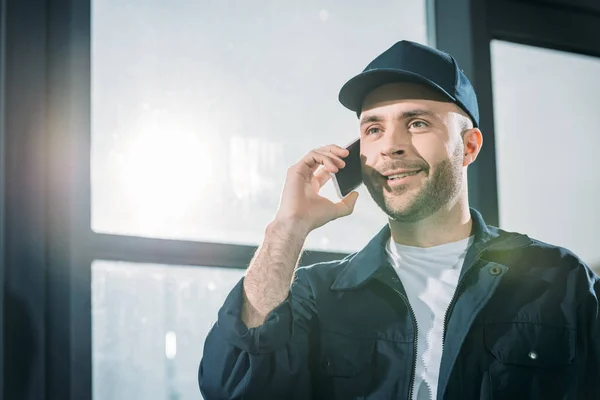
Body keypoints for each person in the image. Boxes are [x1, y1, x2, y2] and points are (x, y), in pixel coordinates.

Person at [198, 41, 600, 399]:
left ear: (469, 146)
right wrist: (286, 229)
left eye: (418, 123)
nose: (390, 146)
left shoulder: (559, 280)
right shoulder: (316, 295)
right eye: (373, 129)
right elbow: (233, 386)